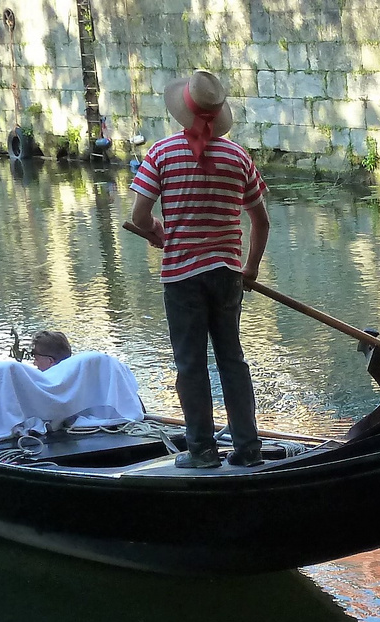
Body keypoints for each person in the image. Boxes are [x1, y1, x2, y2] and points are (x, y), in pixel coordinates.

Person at [128, 69, 270, 469]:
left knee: (190, 365)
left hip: (182, 277)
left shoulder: (160, 154)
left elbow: (139, 216)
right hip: (227, 274)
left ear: (182, 111)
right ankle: (248, 449)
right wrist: (251, 268)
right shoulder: (238, 157)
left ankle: (203, 452)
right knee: (232, 361)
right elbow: (261, 221)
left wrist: (157, 231)